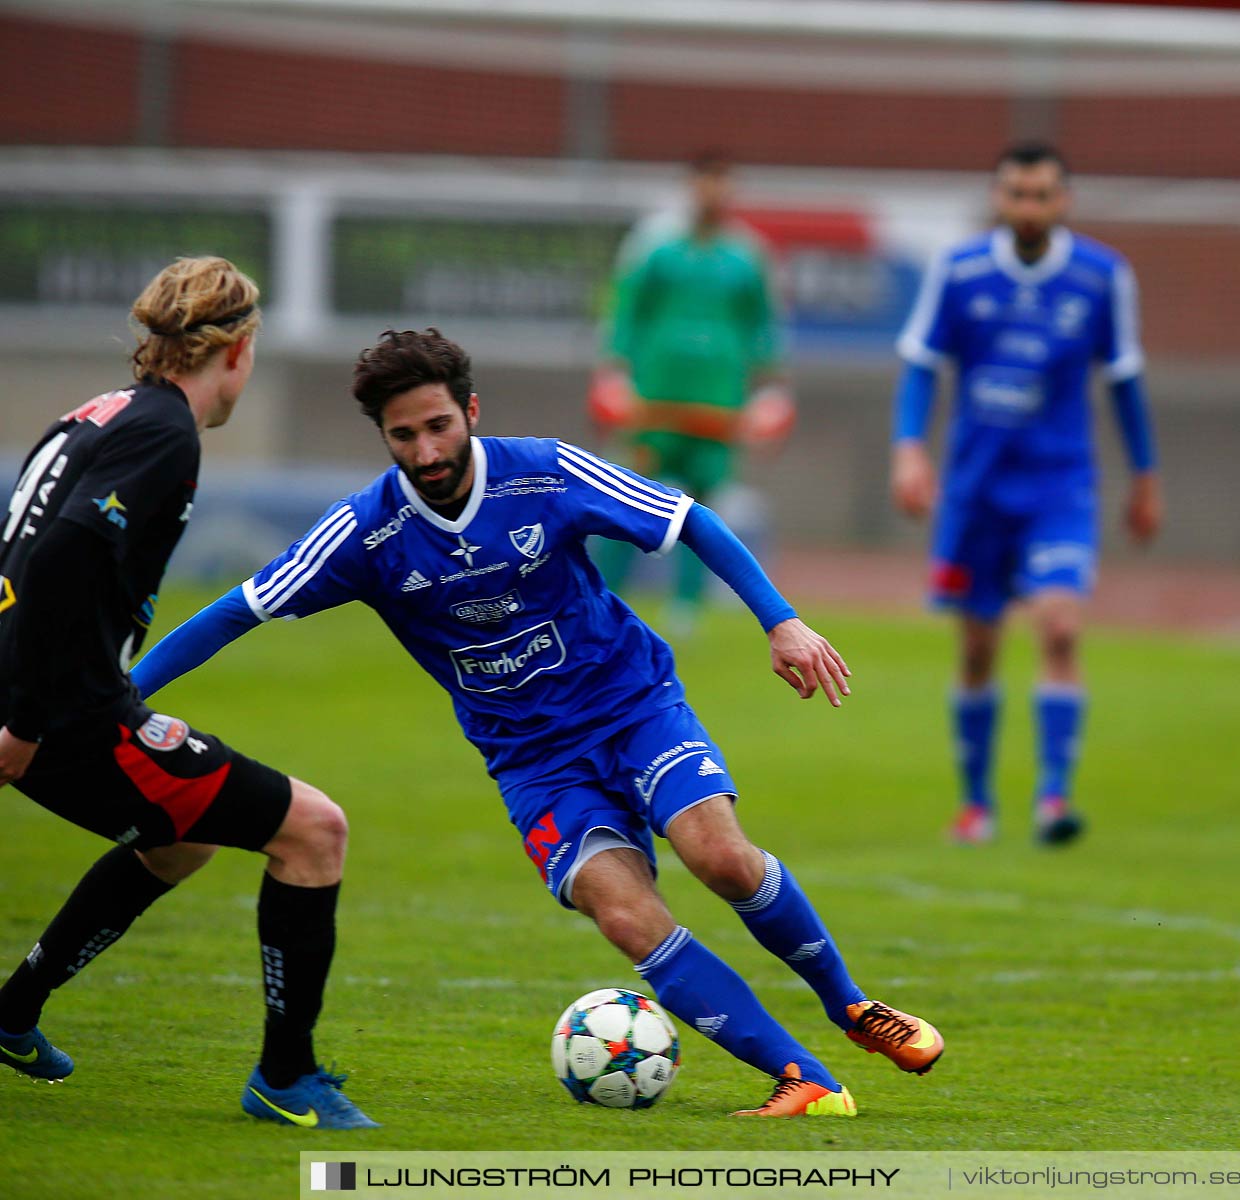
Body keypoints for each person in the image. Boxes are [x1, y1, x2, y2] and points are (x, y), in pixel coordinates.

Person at [132, 328, 941, 1117]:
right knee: (626, 916)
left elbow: (690, 517)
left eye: (438, 426)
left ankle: (853, 1008)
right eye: (402, 435)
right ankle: (805, 1079)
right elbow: (236, 612)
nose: (425, 453)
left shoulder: (544, 473)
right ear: (382, 435)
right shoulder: (365, 531)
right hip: (534, 763)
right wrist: (121, 699)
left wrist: (781, 621)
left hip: (632, 706)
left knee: (719, 856)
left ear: (472, 411)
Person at [0, 257, 377, 1128]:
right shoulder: (165, 434)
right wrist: (25, 721)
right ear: (239, 350)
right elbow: (57, 559)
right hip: (64, 712)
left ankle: (14, 1012)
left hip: (52, 693)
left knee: (184, 840)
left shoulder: (95, 415)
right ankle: (286, 1076)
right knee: (315, 831)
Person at [889, 141, 1162, 847]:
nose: (1030, 207)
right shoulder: (959, 269)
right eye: (1018, 193)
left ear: (1064, 200)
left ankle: (1052, 798)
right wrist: (910, 448)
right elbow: (921, 365)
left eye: (1043, 194)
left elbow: (1124, 380)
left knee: (1061, 626)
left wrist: (1146, 476)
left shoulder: (1103, 276)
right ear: (998, 198)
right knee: (978, 648)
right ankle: (976, 804)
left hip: (1060, 485)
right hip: (976, 489)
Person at [590, 150, 794, 635]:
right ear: (690, 186)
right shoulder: (655, 248)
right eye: (706, 182)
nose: (714, 193)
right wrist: (613, 374)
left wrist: (771, 389)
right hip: (655, 396)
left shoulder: (748, 255)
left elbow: (762, 326)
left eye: (723, 183)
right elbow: (627, 312)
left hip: (718, 399)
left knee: (702, 502)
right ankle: (605, 595)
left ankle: (686, 607)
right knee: (626, 494)